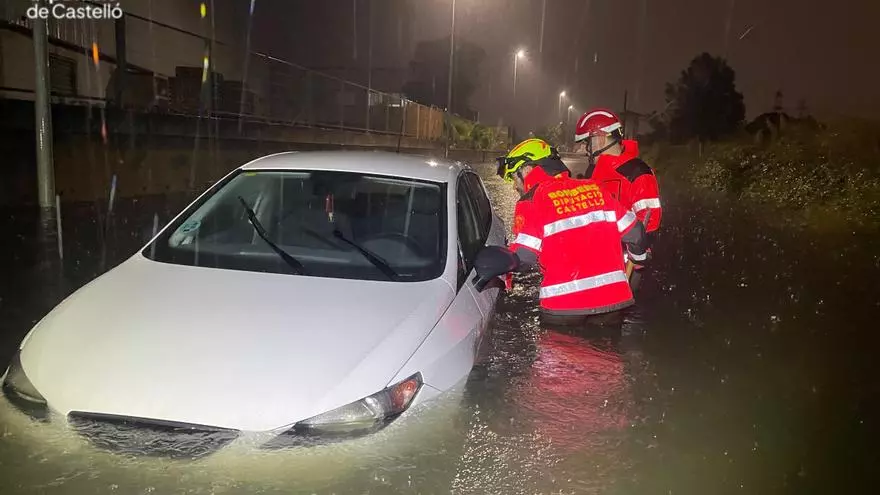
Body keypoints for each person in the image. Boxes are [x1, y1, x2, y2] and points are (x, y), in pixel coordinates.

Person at [485, 138, 650, 326]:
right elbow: (637, 234)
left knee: (559, 354)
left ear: (528, 170)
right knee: (606, 353)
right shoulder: (596, 187)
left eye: (515, 178)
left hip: (564, 307)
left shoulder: (531, 201)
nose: (515, 187)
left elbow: (525, 257)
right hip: (612, 304)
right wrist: (639, 258)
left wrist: (496, 261)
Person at [574, 108, 663, 290]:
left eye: (585, 143)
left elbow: (649, 223)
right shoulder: (593, 172)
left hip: (630, 266)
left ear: (599, 138)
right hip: (597, 262)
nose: (583, 149)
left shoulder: (638, 172)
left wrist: (635, 254)